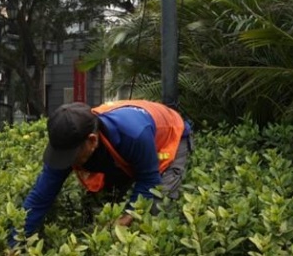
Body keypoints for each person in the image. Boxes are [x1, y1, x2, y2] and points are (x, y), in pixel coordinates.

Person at [17, 99, 193, 238]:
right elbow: (41, 197)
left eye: (71, 156)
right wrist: (14, 242)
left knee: (156, 205)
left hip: (169, 136)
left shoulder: (133, 134)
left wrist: (125, 219)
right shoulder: (67, 140)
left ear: (92, 141)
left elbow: (148, 181)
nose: (67, 162)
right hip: (129, 148)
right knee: (103, 200)